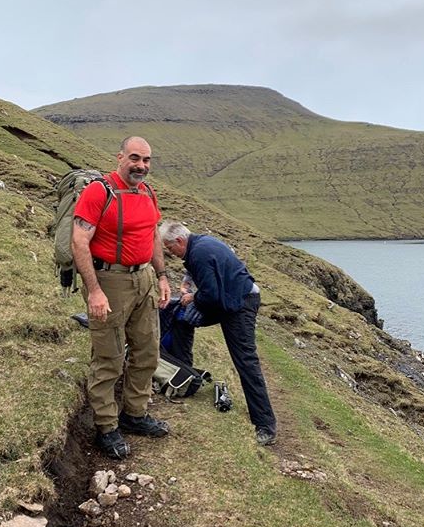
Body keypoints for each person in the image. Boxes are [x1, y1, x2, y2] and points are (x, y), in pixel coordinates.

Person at [71, 136, 172, 459]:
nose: (141, 165)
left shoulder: (147, 192)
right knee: (109, 357)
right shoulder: (99, 191)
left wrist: (161, 275)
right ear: (119, 157)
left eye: (146, 160)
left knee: (147, 351)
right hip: (110, 279)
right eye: (135, 158)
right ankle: (106, 425)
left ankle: (135, 414)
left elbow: (152, 235)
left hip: (143, 278)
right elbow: (79, 242)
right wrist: (95, 291)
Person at [158, 220, 278, 446]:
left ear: (180, 241)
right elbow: (199, 274)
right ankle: (184, 375)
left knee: (245, 361)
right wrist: (189, 292)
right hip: (227, 301)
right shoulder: (199, 244)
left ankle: (265, 425)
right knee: (183, 319)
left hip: (239, 304)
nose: (170, 254)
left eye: (169, 248)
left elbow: (211, 296)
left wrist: (192, 298)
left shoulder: (199, 253)